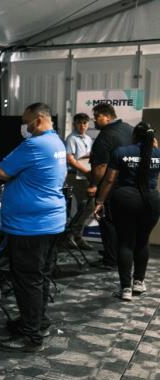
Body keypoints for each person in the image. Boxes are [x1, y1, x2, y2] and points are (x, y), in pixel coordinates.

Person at [0, 103, 66, 352]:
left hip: (31, 227)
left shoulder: (34, 145)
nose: (23, 127)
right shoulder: (57, 142)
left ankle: (31, 335)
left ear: (37, 120)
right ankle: (36, 321)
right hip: (49, 222)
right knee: (40, 278)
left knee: (28, 280)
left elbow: (3, 170)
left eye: (25, 122)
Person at [94, 122, 160, 301]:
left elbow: (109, 181)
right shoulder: (158, 153)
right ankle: (139, 282)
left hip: (125, 200)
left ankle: (126, 289)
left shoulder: (121, 152)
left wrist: (100, 201)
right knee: (142, 241)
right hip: (151, 201)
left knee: (125, 243)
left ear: (134, 136)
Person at [87, 103, 133, 269]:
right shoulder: (129, 129)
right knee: (123, 224)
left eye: (96, 117)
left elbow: (100, 167)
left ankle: (110, 259)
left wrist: (93, 185)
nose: (94, 121)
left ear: (106, 116)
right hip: (130, 186)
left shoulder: (105, 136)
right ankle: (117, 253)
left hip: (110, 188)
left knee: (108, 222)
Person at [64, 113, 94, 250]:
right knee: (86, 205)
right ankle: (73, 235)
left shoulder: (88, 139)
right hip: (75, 175)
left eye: (85, 123)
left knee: (87, 206)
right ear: (75, 124)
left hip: (85, 175)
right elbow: (70, 159)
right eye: (80, 123)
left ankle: (74, 235)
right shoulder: (71, 138)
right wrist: (87, 172)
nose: (83, 126)